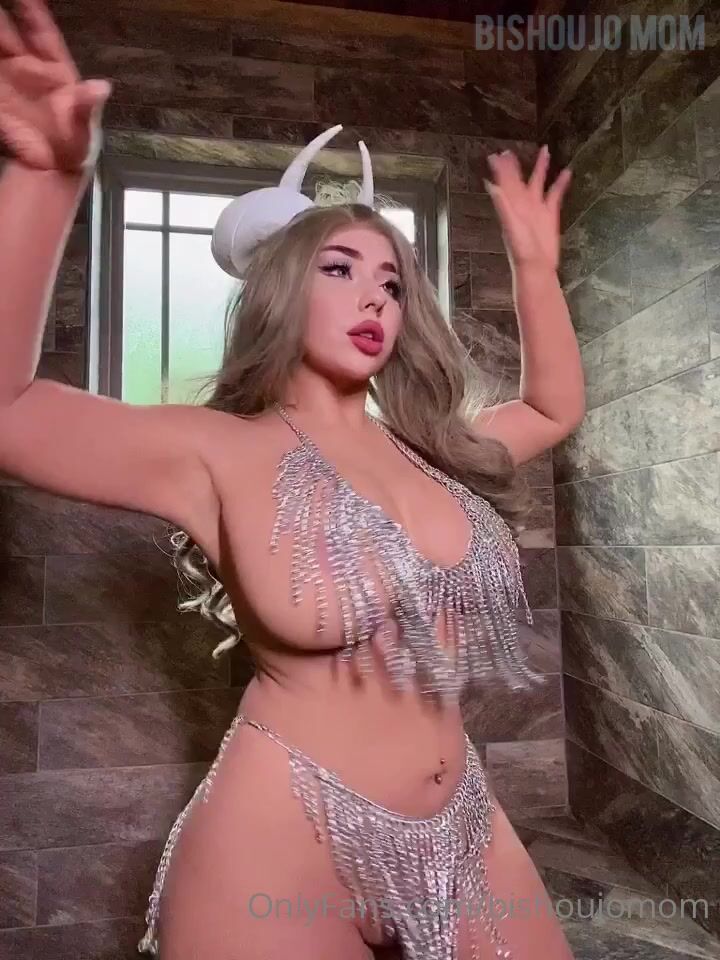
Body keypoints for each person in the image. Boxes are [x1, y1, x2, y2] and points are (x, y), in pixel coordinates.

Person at [0, 2, 585, 958]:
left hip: (465, 828)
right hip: (282, 843)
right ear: (281, 289)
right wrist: (46, 179)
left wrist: (535, 266)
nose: (374, 297)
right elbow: (10, 409)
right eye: (340, 269)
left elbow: (553, 408)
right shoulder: (216, 451)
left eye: (391, 283)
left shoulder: (434, 448)